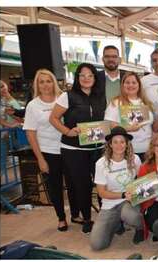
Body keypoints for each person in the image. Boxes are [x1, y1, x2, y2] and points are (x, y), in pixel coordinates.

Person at [49, 62, 107, 233]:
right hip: (74, 150)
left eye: (90, 75)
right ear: (77, 78)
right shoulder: (68, 96)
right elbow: (53, 118)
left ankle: (105, 218)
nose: (86, 78)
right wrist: (67, 131)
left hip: (97, 149)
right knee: (82, 186)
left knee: (102, 184)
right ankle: (87, 219)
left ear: (95, 78)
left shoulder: (100, 97)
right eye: (82, 75)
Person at [23, 68, 72, 231]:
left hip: (68, 149)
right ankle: (61, 218)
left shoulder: (63, 99)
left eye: (48, 80)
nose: (45, 85)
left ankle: (77, 213)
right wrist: (40, 159)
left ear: (54, 82)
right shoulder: (33, 105)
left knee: (74, 184)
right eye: (41, 81)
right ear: (37, 84)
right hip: (48, 152)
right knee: (55, 187)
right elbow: (31, 134)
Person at [89, 126, 144, 250]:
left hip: (129, 201)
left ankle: (140, 228)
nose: (119, 145)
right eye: (115, 142)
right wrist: (123, 194)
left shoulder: (135, 159)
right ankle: (116, 223)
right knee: (97, 245)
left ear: (127, 144)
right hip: (109, 204)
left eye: (122, 142)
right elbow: (101, 192)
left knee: (131, 215)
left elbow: (141, 180)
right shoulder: (101, 163)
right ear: (110, 145)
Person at [104, 71, 155, 159]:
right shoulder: (116, 102)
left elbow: (151, 126)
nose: (130, 85)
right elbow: (110, 125)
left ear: (139, 85)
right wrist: (128, 128)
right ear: (123, 85)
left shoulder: (146, 102)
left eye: (134, 82)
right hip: (126, 150)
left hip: (147, 149)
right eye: (127, 82)